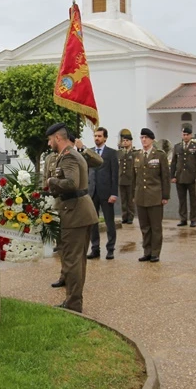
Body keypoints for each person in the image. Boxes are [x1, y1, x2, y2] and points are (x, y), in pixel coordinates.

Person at [44, 123, 98, 312]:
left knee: (72, 260)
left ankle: (74, 304)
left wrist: (51, 181)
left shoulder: (69, 157)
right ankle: (72, 300)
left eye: (50, 139)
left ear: (58, 138)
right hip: (76, 212)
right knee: (75, 259)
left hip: (75, 213)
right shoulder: (66, 156)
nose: (49, 143)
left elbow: (72, 184)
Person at [133, 128, 170, 262]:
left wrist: (165, 196)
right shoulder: (137, 155)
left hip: (155, 196)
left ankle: (155, 253)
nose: (143, 140)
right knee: (144, 227)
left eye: (146, 138)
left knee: (155, 227)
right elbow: (134, 177)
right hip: (140, 196)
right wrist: (134, 194)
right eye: (142, 137)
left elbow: (165, 177)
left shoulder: (160, 155)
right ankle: (147, 251)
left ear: (152, 139)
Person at [87, 127, 119, 260]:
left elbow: (114, 175)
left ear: (105, 138)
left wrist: (114, 193)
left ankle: (110, 249)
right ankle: (95, 249)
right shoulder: (90, 152)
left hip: (106, 193)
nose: (97, 138)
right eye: (95, 136)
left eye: (99, 136)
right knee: (93, 223)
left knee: (109, 222)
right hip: (92, 192)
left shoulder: (111, 153)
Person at [170, 126, 196, 227]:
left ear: (191, 135)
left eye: (187, 135)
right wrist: (172, 176)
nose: (185, 136)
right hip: (180, 177)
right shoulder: (177, 146)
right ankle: (183, 218)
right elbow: (174, 162)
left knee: (193, 200)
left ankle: (193, 219)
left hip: (192, 177)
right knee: (182, 200)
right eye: (184, 135)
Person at [117, 129, 139, 225]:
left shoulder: (134, 153)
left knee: (130, 200)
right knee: (123, 200)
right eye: (123, 141)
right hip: (122, 179)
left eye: (127, 141)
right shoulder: (120, 153)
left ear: (131, 142)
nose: (125, 142)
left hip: (131, 180)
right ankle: (124, 216)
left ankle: (130, 216)